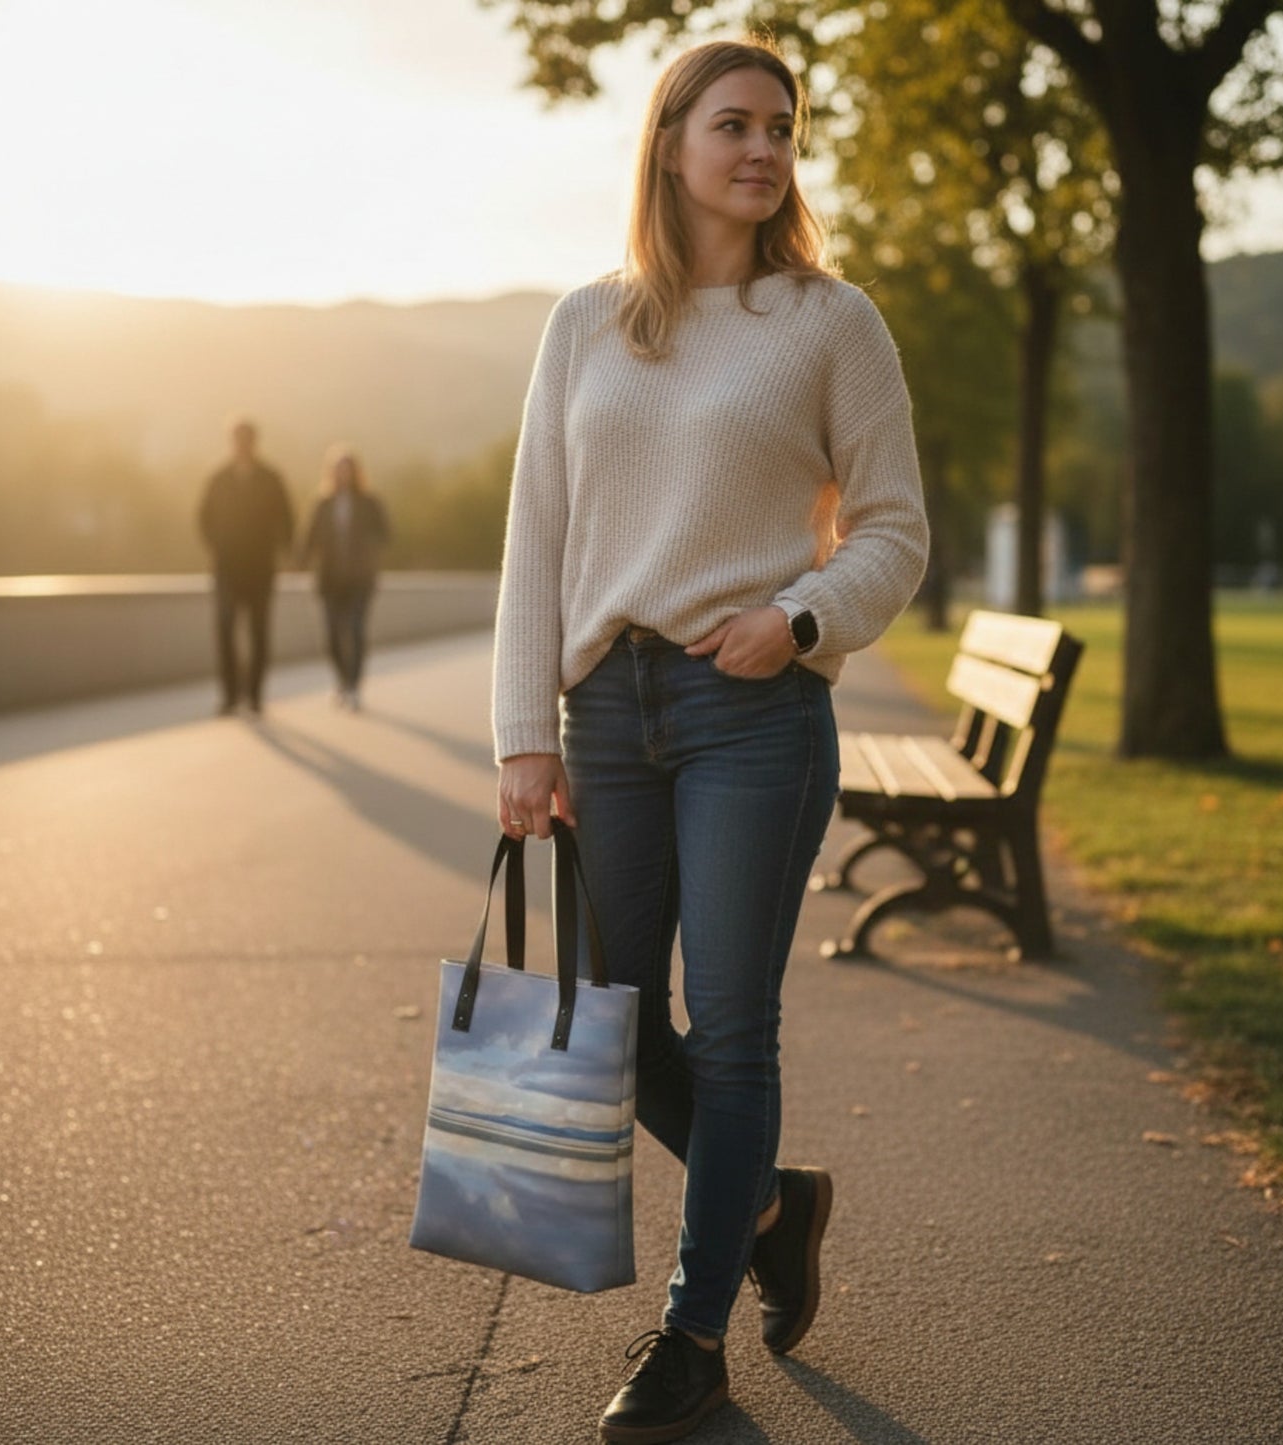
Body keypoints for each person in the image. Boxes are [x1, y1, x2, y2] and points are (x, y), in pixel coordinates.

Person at [491, 38, 929, 1445]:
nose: (763, 149)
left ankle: (692, 1334)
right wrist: (523, 738)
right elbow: (536, 540)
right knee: (610, 1024)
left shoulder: (829, 320)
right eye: (733, 123)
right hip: (605, 712)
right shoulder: (584, 323)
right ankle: (770, 1204)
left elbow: (893, 529)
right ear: (670, 139)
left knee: (733, 1030)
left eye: (782, 129)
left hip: (752, 714)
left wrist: (799, 618)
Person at [198, 418, 295, 714]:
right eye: (237, 440)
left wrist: (285, 552)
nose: (241, 445)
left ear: (254, 442)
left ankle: (254, 694)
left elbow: (287, 519)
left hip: (260, 568)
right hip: (227, 567)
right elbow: (203, 518)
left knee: (259, 631)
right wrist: (217, 545)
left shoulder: (270, 478)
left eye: (246, 440)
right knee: (225, 629)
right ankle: (230, 694)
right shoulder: (219, 478)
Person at [300, 445, 390, 710]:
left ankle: (353, 685)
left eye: (347, 470)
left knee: (356, 629)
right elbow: (308, 538)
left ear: (355, 472)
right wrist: (298, 563)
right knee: (330, 634)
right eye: (338, 470)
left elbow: (385, 534)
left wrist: (367, 550)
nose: (343, 475)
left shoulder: (369, 503)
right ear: (331, 473)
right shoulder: (322, 504)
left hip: (360, 579)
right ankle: (341, 679)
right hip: (330, 580)